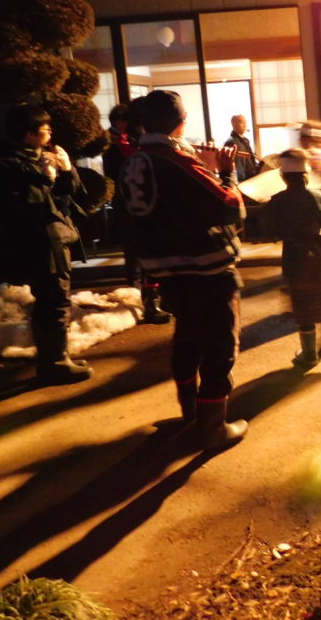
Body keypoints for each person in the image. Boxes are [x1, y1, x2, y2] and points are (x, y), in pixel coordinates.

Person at [119, 90, 247, 450]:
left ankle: (190, 413)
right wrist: (225, 172)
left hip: (167, 270)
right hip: (206, 269)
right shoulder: (175, 159)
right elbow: (230, 208)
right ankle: (213, 428)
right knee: (220, 346)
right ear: (181, 122)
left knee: (187, 338)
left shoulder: (134, 161)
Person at [0, 105, 93, 384]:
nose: (50, 132)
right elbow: (27, 203)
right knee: (53, 299)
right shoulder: (8, 162)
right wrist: (47, 176)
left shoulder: (44, 156)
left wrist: (66, 170)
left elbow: (72, 193)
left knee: (54, 298)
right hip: (39, 240)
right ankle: (55, 363)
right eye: (45, 128)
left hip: (56, 236)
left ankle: (57, 358)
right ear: (29, 133)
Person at [261, 148, 321, 370]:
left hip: (296, 255)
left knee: (303, 304)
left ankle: (309, 353)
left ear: (283, 176)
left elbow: (270, 230)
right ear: (305, 174)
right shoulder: (316, 195)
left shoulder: (277, 201)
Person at [102, 101, 171, 325]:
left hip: (140, 202)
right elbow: (122, 171)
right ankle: (145, 299)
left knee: (149, 249)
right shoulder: (116, 143)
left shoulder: (134, 140)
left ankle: (153, 299)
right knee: (137, 249)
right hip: (130, 204)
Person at [224, 114, 260, 183]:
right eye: (241, 122)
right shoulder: (231, 142)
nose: (245, 125)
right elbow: (234, 165)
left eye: (245, 122)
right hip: (241, 180)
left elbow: (250, 160)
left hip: (250, 178)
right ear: (233, 124)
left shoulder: (246, 140)